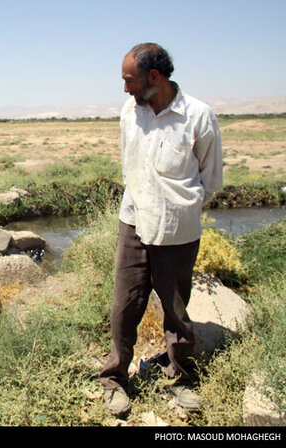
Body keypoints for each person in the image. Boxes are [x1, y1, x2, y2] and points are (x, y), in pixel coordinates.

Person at [99, 43, 223, 415]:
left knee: (176, 309)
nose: (125, 89)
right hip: (134, 221)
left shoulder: (199, 116)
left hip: (177, 228)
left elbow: (211, 178)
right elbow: (129, 166)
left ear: (154, 77)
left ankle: (180, 377)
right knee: (124, 305)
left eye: (129, 80)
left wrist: (178, 204)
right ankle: (114, 379)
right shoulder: (129, 113)